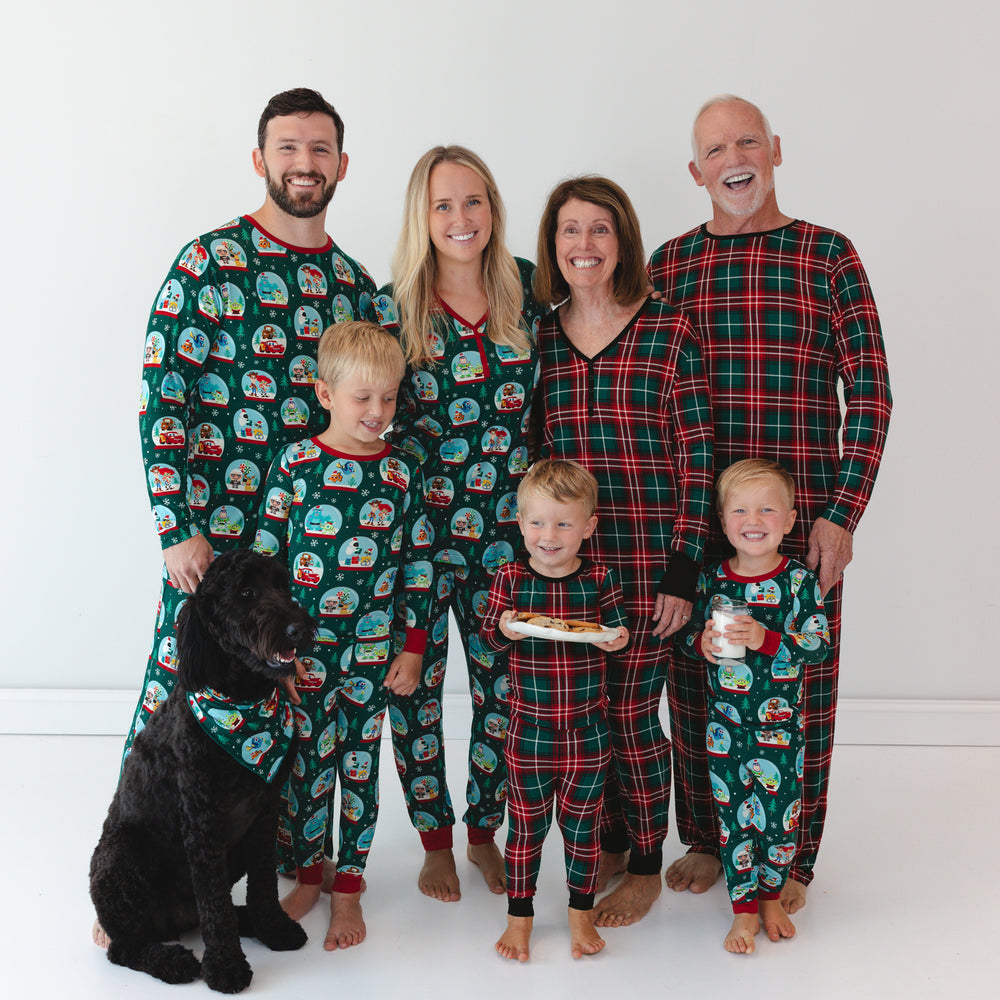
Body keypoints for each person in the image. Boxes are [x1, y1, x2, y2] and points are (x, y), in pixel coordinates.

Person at [648, 95, 892, 912]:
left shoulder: (828, 255)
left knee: (798, 686)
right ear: (696, 171)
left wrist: (843, 512)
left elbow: (873, 389)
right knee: (699, 686)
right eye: (716, 148)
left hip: (798, 527)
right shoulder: (669, 266)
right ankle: (713, 840)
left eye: (747, 140)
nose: (734, 157)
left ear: (776, 149)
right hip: (700, 523)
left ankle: (791, 858)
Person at [128, 88, 377, 757]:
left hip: (310, 538)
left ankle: (279, 850)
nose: (304, 162)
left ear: (342, 164)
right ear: (260, 158)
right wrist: (176, 528)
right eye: (288, 147)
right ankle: (141, 854)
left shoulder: (355, 288)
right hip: (215, 540)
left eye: (319, 148)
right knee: (182, 695)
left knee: (290, 700)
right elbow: (163, 401)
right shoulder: (208, 263)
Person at [533, 176, 714, 927]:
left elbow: (699, 459)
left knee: (636, 718)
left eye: (600, 230)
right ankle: (609, 840)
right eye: (570, 231)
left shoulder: (670, 329)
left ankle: (645, 861)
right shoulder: (540, 336)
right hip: (569, 570)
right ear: (553, 245)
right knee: (587, 714)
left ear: (624, 242)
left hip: (648, 566)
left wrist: (682, 570)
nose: (585, 245)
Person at [372, 146, 547, 901]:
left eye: (473, 202)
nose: (460, 219)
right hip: (416, 540)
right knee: (412, 690)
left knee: (504, 693)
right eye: (443, 205)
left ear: (493, 208)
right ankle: (433, 841)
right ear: (422, 216)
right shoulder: (391, 307)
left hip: (509, 538)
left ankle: (483, 832)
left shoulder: (530, 293)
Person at [252, 320, 431, 949]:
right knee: (306, 766)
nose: (378, 412)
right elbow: (267, 566)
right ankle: (309, 873)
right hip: (303, 656)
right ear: (324, 394)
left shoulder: (401, 474)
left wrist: (411, 650)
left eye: (389, 398)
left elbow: (418, 570)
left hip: (373, 656)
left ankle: (349, 889)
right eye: (363, 398)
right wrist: (272, 654)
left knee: (358, 769)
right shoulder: (296, 464)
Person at [480, 460, 629, 962]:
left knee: (582, 826)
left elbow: (616, 633)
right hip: (529, 730)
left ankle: (579, 911)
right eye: (538, 522)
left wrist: (618, 639)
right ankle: (519, 915)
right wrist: (503, 628)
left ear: (587, 528)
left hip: (588, 728)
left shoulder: (601, 578)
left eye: (564, 523)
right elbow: (488, 635)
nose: (550, 535)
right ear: (520, 524)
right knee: (526, 826)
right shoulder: (510, 577)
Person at [681, 459, 830, 953]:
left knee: (779, 816)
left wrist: (768, 639)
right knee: (734, 819)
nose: (754, 519)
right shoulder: (711, 580)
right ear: (723, 521)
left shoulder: (797, 583)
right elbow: (687, 637)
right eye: (741, 510)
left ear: (789, 521)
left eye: (768, 509)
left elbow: (818, 646)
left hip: (781, 732)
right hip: (725, 729)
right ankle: (742, 909)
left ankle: (772, 894)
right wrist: (698, 642)